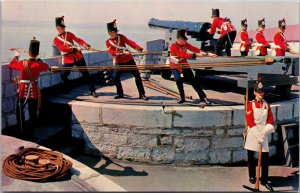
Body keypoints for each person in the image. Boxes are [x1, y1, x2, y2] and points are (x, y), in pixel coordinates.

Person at [9, 37, 49, 141]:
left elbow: (11, 65)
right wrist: (39, 60)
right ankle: (31, 135)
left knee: (20, 112)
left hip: (22, 91)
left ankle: (21, 133)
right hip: (34, 91)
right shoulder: (39, 65)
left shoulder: (23, 63)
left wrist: (17, 56)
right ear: (37, 53)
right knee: (33, 114)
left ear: (29, 52)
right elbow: (46, 66)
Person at [170, 29, 217, 105]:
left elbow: (194, 49)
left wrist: (208, 54)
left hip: (184, 64)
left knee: (193, 80)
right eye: (184, 39)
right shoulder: (173, 46)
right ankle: (182, 97)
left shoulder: (185, 44)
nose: (185, 41)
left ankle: (203, 97)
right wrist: (196, 55)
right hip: (175, 65)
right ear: (179, 39)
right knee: (178, 80)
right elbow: (182, 55)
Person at [53, 16, 98, 97]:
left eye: (63, 27)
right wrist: (74, 49)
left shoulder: (69, 34)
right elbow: (62, 48)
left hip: (78, 57)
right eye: (61, 27)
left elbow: (78, 40)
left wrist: (86, 45)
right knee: (63, 75)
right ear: (57, 28)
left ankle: (92, 90)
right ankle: (69, 86)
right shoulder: (56, 39)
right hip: (68, 59)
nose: (63, 29)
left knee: (86, 74)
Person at [244, 77, 275, 191]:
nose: (261, 94)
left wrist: (264, 132)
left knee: (265, 157)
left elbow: (271, 120)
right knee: (251, 155)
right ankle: (252, 175)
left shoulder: (267, 105)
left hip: (263, 131)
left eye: (262, 92)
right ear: (254, 92)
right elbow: (250, 121)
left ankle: (264, 179)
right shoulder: (250, 104)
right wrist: (258, 135)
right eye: (258, 92)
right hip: (253, 132)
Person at [105, 19, 148, 101]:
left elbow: (130, 43)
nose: (115, 33)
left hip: (129, 59)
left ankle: (142, 94)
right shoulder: (108, 42)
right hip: (119, 61)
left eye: (116, 31)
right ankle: (120, 93)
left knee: (137, 76)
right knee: (115, 77)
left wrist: (141, 49)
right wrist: (122, 53)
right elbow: (111, 52)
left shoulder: (121, 37)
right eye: (114, 32)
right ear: (110, 33)